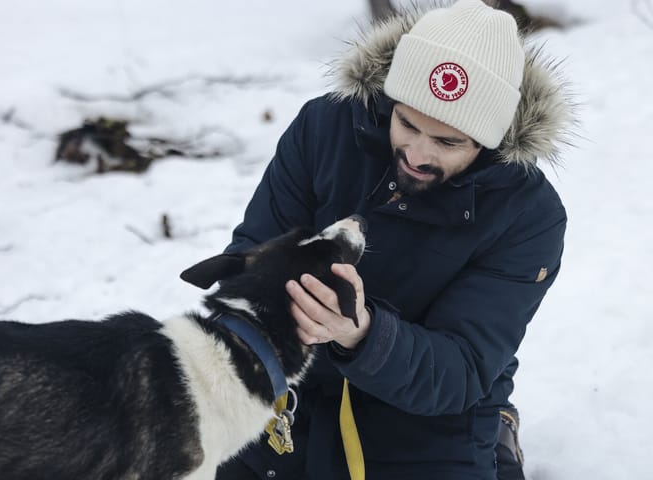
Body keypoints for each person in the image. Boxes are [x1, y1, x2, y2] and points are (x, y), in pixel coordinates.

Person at [216, 0, 574, 478]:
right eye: (407, 123)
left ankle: (498, 438)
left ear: (490, 139)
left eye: (448, 142)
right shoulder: (325, 129)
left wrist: (362, 335)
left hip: (430, 411)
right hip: (295, 381)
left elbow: (461, 369)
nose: (418, 154)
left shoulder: (529, 214)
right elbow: (251, 257)